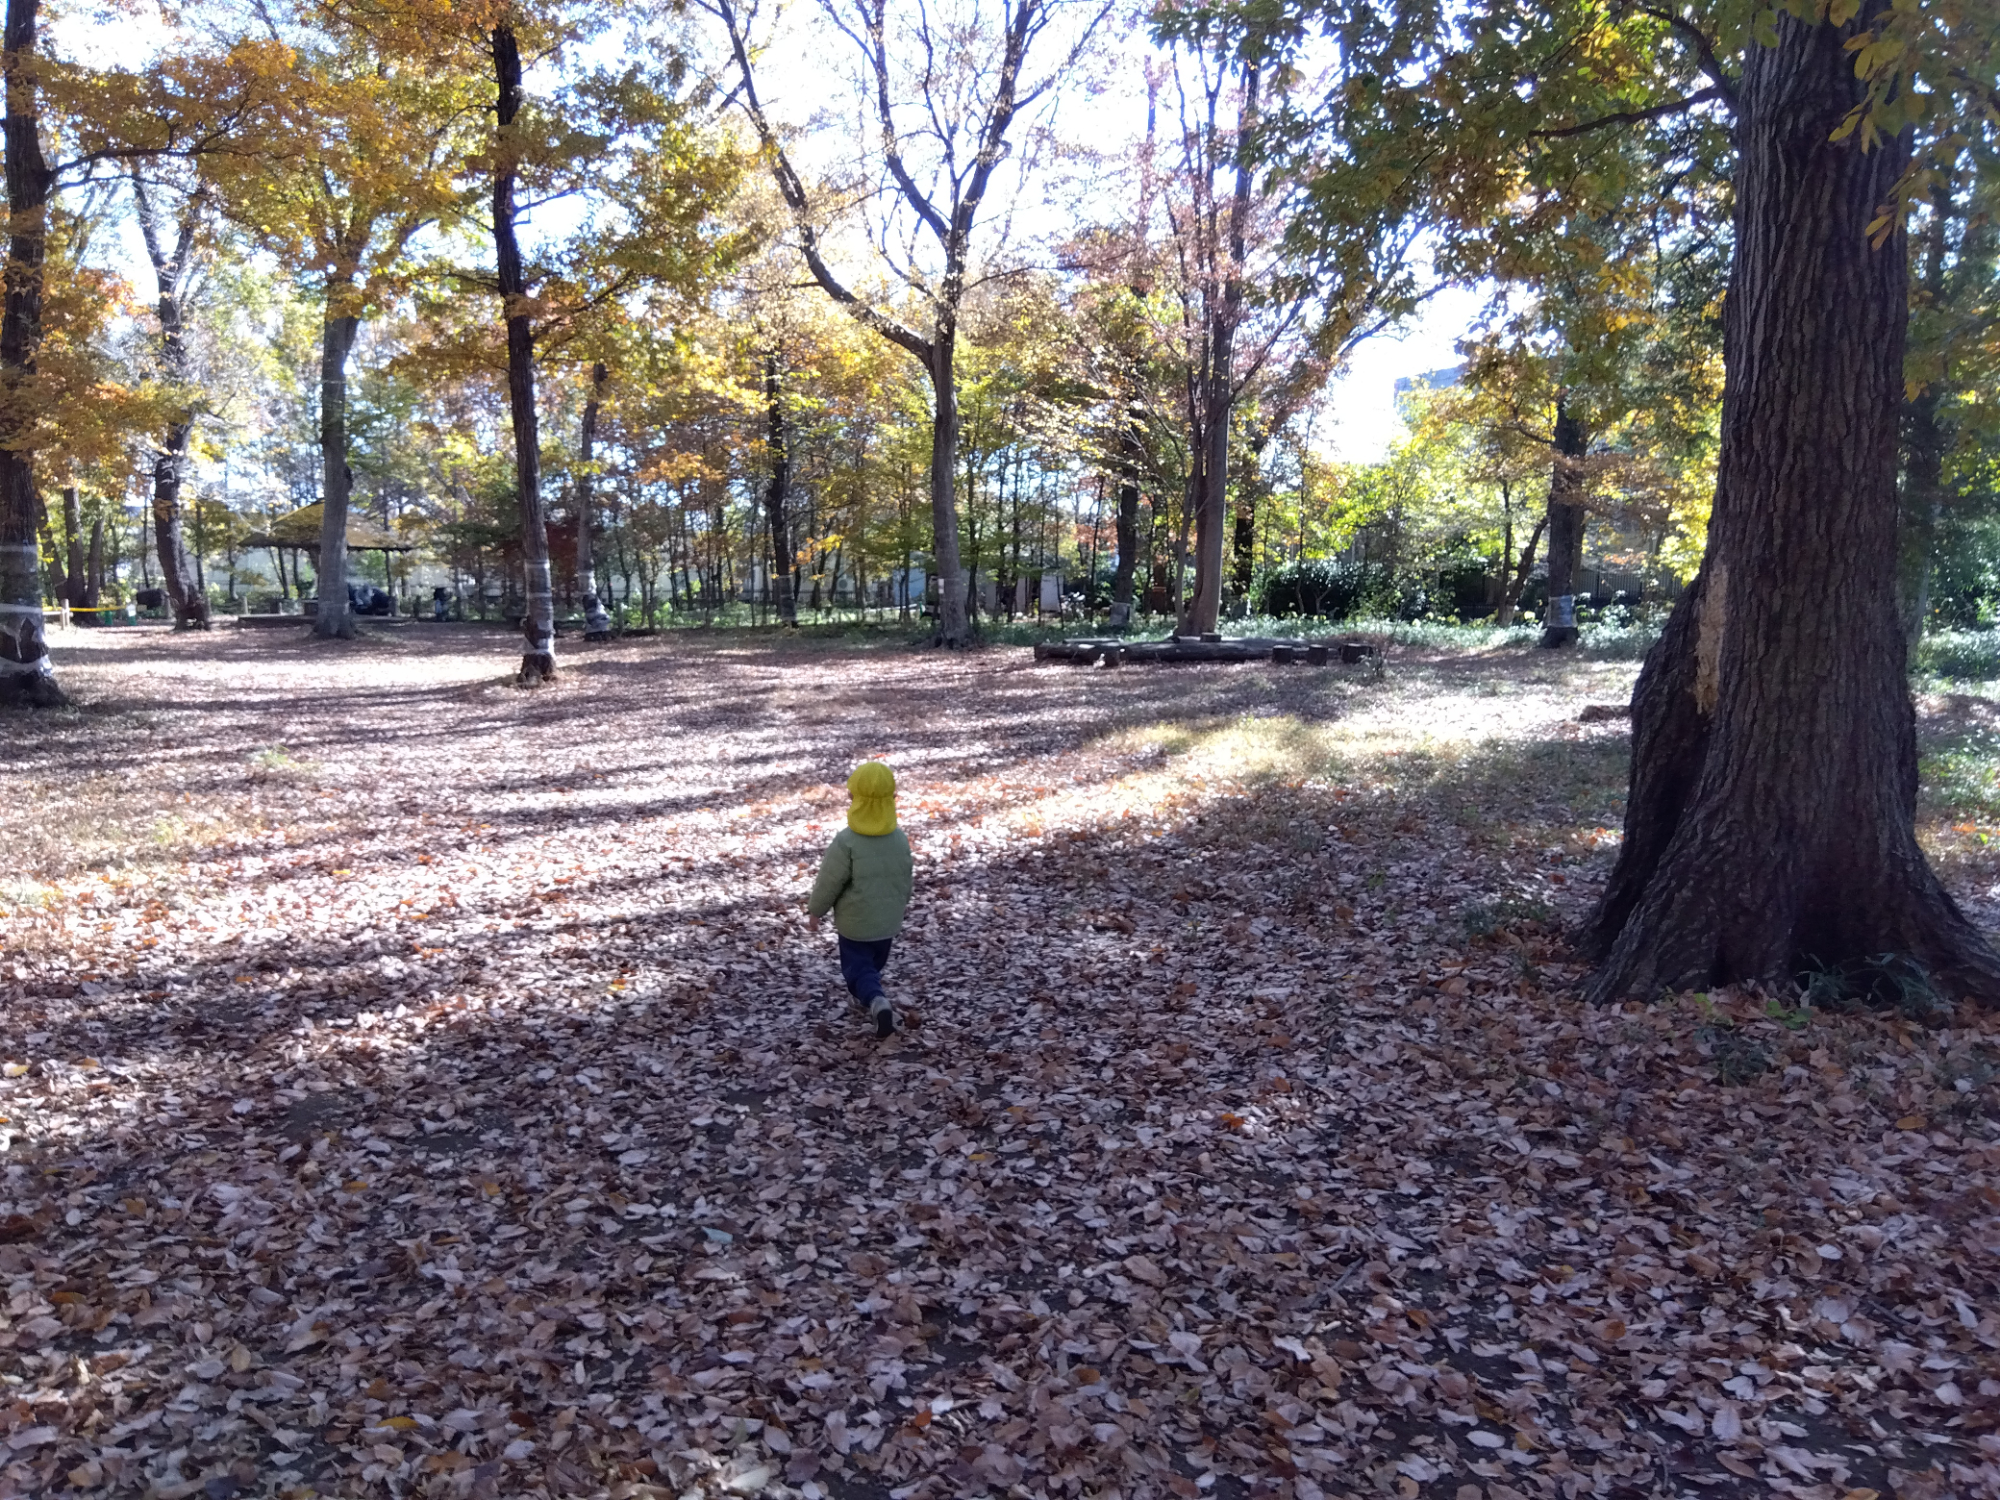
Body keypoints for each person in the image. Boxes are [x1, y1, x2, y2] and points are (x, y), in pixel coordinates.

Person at [807, 761, 914, 1038]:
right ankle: (870, 993)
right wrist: (900, 905)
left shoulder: (847, 841)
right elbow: (904, 878)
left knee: (857, 969)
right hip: (887, 923)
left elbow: (830, 880)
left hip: (855, 924)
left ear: (854, 800)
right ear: (892, 800)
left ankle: (876, 1001)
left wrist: (816, 910)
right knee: (873, 963)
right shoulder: (899, 839)